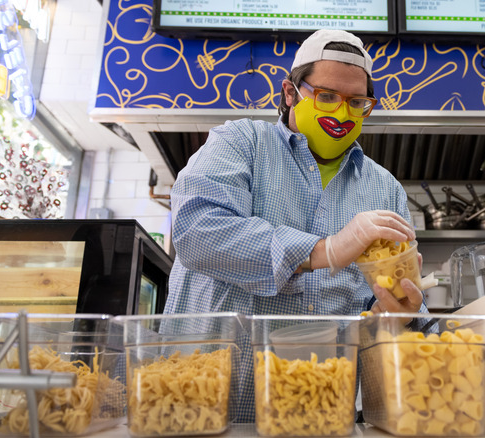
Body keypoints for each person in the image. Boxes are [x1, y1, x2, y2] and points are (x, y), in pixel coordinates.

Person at [165, 29, 428, 422]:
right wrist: (325, 250)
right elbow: (196, 231)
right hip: (201, 407)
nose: (342, 113)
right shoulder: (239, 143)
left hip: (316, 416)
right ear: (290, 93)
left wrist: (396, 317)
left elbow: (380, 319)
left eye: (357, 102)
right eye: (326, 97)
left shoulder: (385, 189)